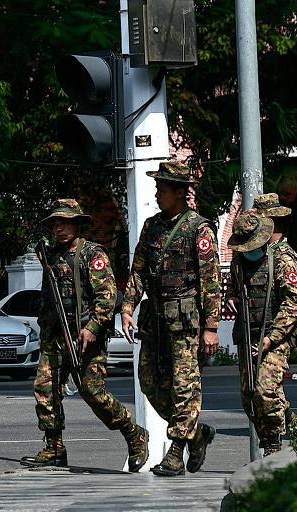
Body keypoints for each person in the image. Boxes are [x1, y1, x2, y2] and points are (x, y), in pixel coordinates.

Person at [20, 199, 149, 471]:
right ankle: (54, 446)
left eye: (65, 222)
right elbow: (48, 299)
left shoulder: (92, 254)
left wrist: (92, 327)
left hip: (85, 336)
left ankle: (133, 433)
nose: (59, 227)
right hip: (55, 337)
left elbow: (108, 296)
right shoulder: (51, 256)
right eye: (56, 223)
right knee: (46, 390)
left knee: (93, 393)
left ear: (78, 225)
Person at [121, 161, 222, 477]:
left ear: (180, 193)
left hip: (185, 322)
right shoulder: (151, 227)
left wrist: (211, 327)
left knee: (184, 386)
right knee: (149, 382)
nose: (157, 194)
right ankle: (197, 432)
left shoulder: (198, 229)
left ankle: (176, 451)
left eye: (162, 190)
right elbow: (138, 272)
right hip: (155, 321)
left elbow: (211, 280)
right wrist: (127, 308)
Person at [225, 210, 297, 456]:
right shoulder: (239, 261)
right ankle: (296, 425)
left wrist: (271, 338)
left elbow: (295, 301)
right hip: (248, 334)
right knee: (249, 396)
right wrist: (231, 297)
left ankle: (272, 446)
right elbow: (233, 286)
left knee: (265, 391)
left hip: (275, 336)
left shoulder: (283, 260)